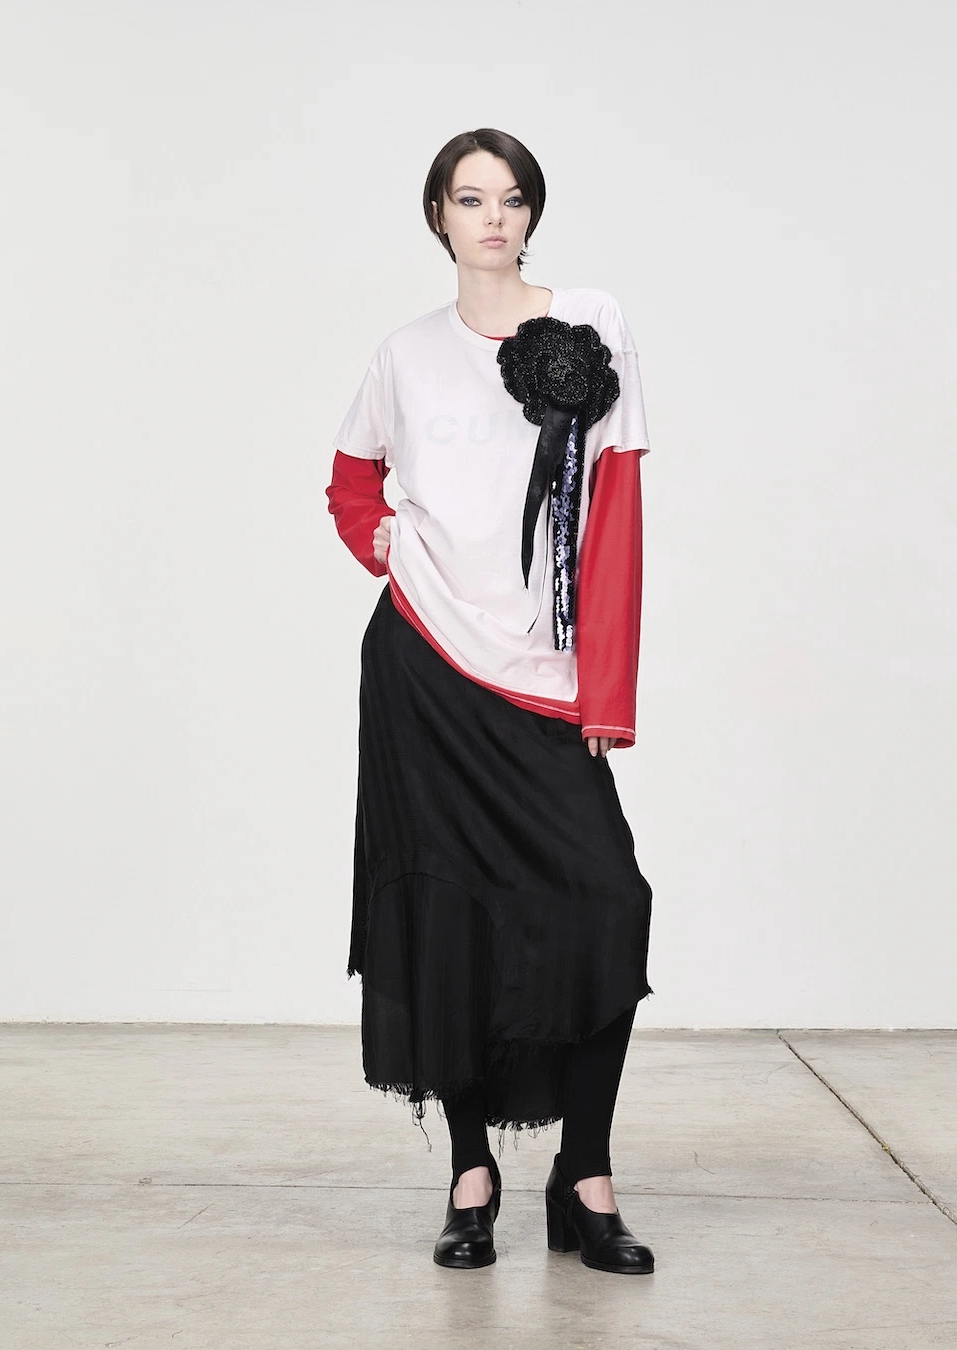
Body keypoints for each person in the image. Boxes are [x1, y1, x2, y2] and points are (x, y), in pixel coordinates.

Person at [325, 128, 655, 1276]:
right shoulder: (404, 354)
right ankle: (472, 1175)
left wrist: (605, 689)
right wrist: (386, 547)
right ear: (439, 216)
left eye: (511, 199)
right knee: (448, 919)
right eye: (470, 200)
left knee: (609, 897)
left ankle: (584, 1174)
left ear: (532, 215)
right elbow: (350, 479)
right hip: (421, 671)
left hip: (543, 679)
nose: (493, 219)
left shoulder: (595, 324)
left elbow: (617, 513)